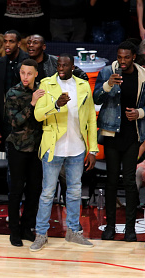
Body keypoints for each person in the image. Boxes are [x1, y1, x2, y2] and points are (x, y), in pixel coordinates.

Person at [30, 54, 98, 252]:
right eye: (59, 64)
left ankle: (73, 231)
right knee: (47, 193)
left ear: (72, 66)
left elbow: (91, 120)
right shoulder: (46, 84)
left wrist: (92, 149)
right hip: (54, 147)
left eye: (65, 65)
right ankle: (41, 234)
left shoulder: (83, 86)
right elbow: (38, 114)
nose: (61, 67)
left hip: (76, 147)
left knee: (75, 191)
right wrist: (56, 105)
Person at [94, 41, 145, 242]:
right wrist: (108, 84)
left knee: (128, 181)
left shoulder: (144, 76)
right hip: (111, 134)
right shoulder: (108, 71)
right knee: (110, 181)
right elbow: (97, 98)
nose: (122, 61)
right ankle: (109, 227)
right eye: (119, 56)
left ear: (134, 56)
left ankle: (130, 229)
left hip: (133, 134)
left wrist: (140, 112)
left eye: (126, 57)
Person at [4, 59, 44, 246]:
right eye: (22, 73)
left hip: (37, 148)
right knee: (16, 190)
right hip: (18, 147)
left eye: (29, 73)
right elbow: (15, 121)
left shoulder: (42, 90)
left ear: (36, 73)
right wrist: (33, 104)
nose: (25, 77)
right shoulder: (13, 92)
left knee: (34, 190)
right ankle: (14, 231)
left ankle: (27, 228)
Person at [0, 30, 29, 144]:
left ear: (18, 43)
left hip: (24, 121)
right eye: (5, 41)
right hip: (4, 120)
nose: (7, 45)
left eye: (11, 42)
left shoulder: (27, 63)